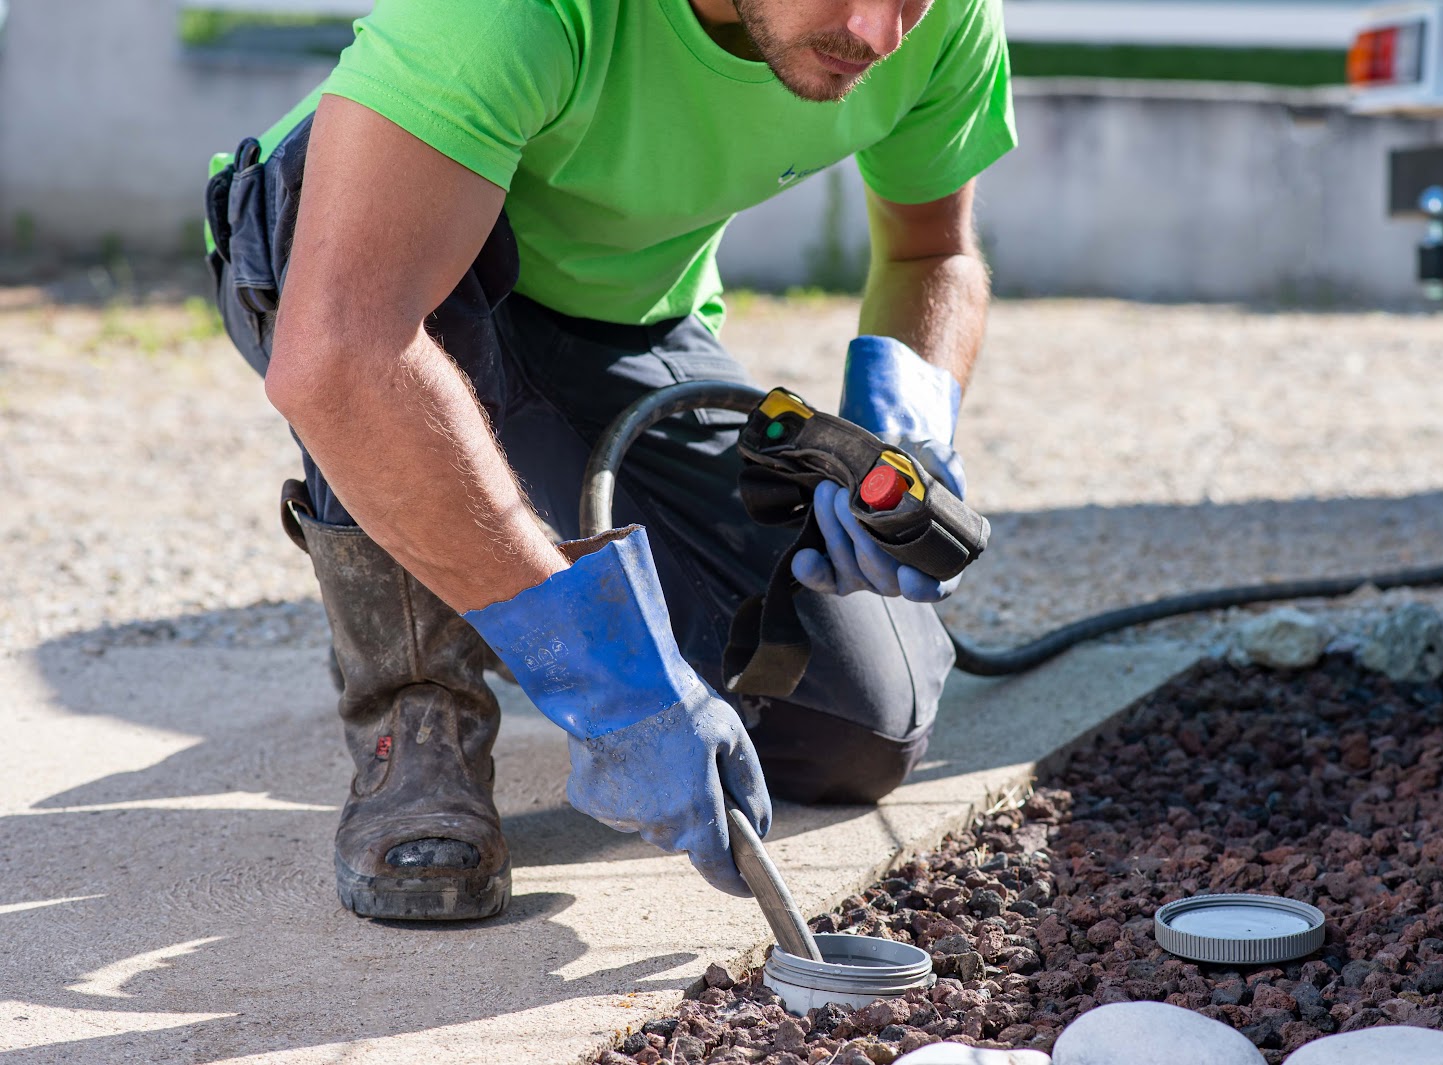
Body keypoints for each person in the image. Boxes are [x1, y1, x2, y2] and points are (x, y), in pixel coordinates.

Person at [203, 0, 1015, 921]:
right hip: (374, 273)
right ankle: (417, 713)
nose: (879, 34)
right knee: (372, 322)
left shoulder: (941, 19)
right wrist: (596, 672)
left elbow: (932, 250)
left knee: (860, 725)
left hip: (619, 321)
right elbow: (341, 356)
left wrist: (898, 445)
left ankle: (492, 579)